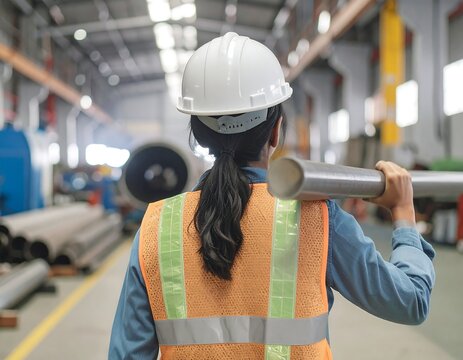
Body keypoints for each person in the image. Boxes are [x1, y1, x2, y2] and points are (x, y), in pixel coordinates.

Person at [109, 32, 435, 359]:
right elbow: (411, 302)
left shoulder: (156, 228)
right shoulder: (318, 218)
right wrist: (404, 214)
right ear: (276, 131)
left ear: (197, 133)